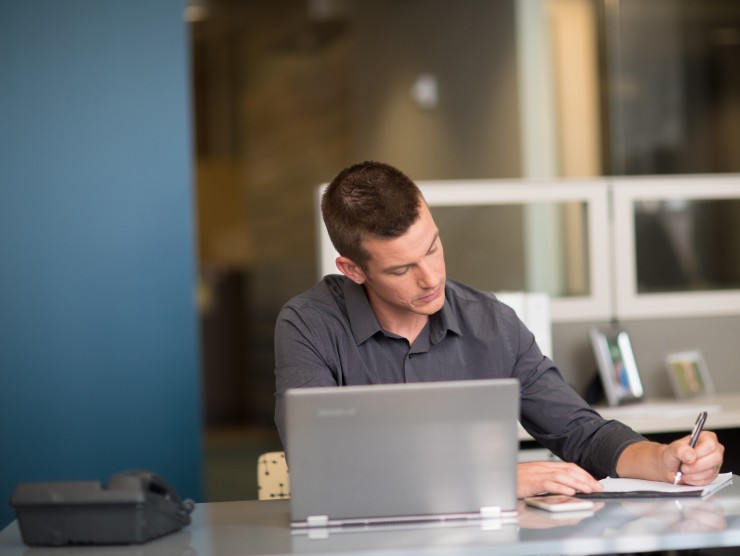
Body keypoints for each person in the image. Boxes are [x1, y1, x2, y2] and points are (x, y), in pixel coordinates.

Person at [273, 161, 724, 498]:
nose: (431, 278)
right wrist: (492, 478)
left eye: (433, 248)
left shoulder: (490, 322)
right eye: (401, 269)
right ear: (352, 270)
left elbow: (581, 433)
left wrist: (661, 459)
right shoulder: (309, 326)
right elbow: (323, 468)